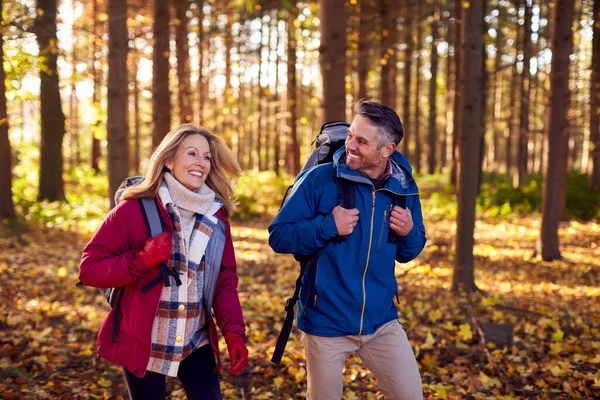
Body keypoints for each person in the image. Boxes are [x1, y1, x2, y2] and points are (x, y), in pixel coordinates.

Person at [269, 100, 426, 400]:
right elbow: (279, 235)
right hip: (325, 321)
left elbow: (409, 252)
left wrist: (409, 232)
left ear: (387, 150)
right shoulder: (319, 180)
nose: (350, 144)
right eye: (351, 134)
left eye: (361, 140)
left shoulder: (403, 187)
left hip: (381, 322)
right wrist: (327, 225)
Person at [79, 125, 248, 400]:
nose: (201, 163)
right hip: (145, 342)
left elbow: (224, 281)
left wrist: (234, 333)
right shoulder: (134, 208)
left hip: (196, 341)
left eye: (206, 157)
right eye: (192, 153)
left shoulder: (217, 218)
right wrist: (141, 259)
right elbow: (89, 269)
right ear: (169, 160)